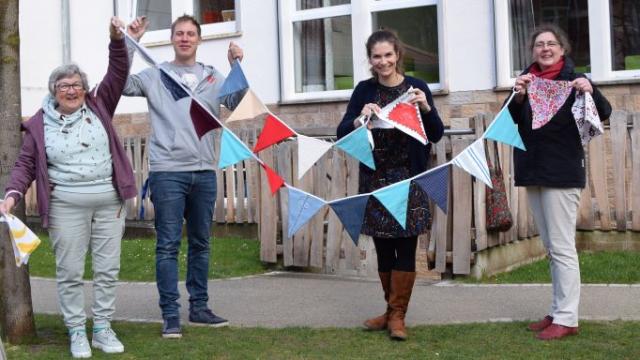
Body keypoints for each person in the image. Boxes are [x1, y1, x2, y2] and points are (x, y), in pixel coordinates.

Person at [0, 18, 136, 358]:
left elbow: (118, 72)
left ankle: (103, 329)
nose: (71, 90)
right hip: (66, 206)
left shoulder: (100, 104)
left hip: (110, 203)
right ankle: (77, 332)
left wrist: (116, 40)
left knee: (107, 269)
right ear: (53, 92)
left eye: (76, 84)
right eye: (63, 86)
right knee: (70, 271)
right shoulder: (38, 125)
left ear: (86, 89)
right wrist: (12, 193)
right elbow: (25, 166)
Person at [123, 15, 245, 338]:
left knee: (202, 243)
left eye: (191, 33)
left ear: (200, 40)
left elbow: (236, 100)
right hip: (168, 173)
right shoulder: (156, 75)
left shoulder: (213, 78)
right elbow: (121, 83)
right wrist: (129, 43)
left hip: (204, 172)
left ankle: (200, 307)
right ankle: (170, 314)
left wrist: (236, 65)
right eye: (179, 33)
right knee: (167, 245)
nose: (185, 38)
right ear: (172, 39)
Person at [337, 29, 444, 340]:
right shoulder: (364, 91)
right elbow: (343, 131)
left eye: (388, 55)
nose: (383, 61)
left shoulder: (417, 88)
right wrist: (359, 119)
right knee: (383, 249)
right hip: (375, 180)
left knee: (406, 247)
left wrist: (426, 107)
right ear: (370, 60)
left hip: (410, 179)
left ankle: (398, 316)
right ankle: (390, 311)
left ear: (398, 55)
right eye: (376, 56)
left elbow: (435, 133)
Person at [509, 24, 612, 340]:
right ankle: (557, 310)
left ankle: (567, 318)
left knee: (563, 247)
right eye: (539, 44)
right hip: (533, 171)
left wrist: (590, 89)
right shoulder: (527, 81)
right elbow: (508, 120)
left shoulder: (575, 81)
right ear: (533, 51)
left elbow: (604, 112)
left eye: (551, 43)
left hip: (562, 173)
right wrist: (517, 95)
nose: (545, 48)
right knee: (552, 248)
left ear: (562, 49)